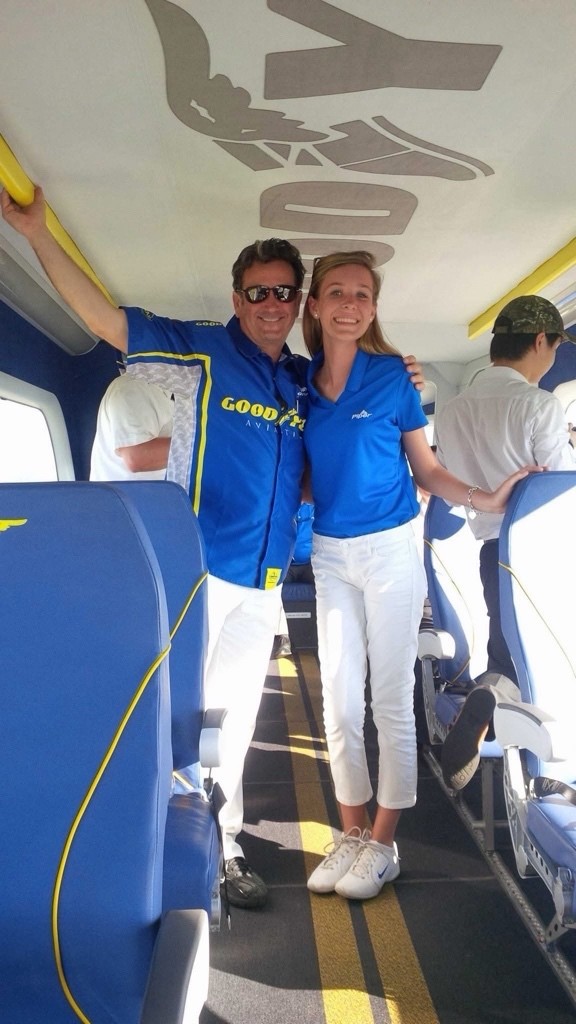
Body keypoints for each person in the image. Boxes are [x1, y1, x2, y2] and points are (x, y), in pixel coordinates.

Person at [0, 184, 424, 909]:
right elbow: (104, 319)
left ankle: (219, 849)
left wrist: (398, 386)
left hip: (263, 587)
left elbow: (346, 445)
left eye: (285, 293)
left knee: (233, 722)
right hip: (199, 575)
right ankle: (141, 855)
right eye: (258, 291)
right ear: (237, 297)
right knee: (174, 720)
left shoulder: (300, 382)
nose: (271, 304)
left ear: (300, 306)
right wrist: (39, 235)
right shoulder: (199, 351)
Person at [300, 251, 541, 901]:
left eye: (362, 295)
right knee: (340, 702)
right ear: (315, 306)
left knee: (389, 699)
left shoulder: (392, 379)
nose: (350, 304)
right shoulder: (298, 385)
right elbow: (299, 473)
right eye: (337, 293)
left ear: (373, 308)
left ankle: (384, 843)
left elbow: (427, 470)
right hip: (329, 552)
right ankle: (349, 833)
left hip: (389, 548)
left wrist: (484, 499)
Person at [434, 294, 576, 791]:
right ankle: (548, 770)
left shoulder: (452, 411)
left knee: (509, 647)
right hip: (541, 550)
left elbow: (447, 475)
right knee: (551, 655)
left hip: (492, 551)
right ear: (541, 341)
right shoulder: (539, 405)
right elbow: (556, 488)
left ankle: (491, 692)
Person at [90, 371, 173, 480]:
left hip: (152, 493)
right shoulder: (135, 386)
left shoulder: (174, 393)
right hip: (127, 495)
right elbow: (136, 457)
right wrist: (201, 449)